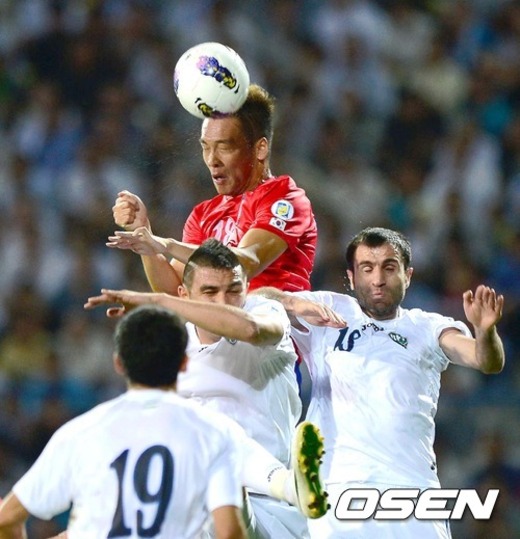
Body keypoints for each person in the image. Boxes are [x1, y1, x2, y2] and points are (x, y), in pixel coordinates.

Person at [255, 226, 506, 539]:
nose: (377, 279)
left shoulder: (428, 326)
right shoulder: (327, 310)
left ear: (407, 275)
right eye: (367, 268)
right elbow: (250, 298)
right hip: (335, 489)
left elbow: (486, 360)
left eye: (389, 268)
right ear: (351, 277)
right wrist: (292, 303)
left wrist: (485, 331)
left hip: (411, 489)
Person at [84, 239, 333, 538]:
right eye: (210, 292)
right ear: (184, 294)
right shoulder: (174, 347)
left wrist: (158, 301)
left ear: (247, 289)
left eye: (233, 291)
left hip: (271, 511)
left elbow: (251, 329)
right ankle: (288, 484)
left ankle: (286, 486)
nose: (223, 302)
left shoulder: (266, 313)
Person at [0, 305, 247, 539]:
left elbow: (6, 519)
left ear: (118, 363)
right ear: (184, 362)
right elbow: (229, 532)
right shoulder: (214, 432)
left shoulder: (81, 431)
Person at [108, 83, 317, 295]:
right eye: (206, 147)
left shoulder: (285, 199)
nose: (211, 160)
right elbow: (175, 291)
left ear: (260, 149)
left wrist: (167, 245)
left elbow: (245, 264)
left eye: (224, 147)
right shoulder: (203, 214)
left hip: (279, 315)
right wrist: (144, 234)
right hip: (221, 316)